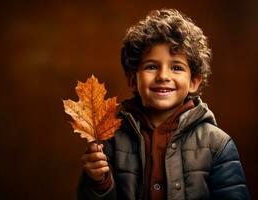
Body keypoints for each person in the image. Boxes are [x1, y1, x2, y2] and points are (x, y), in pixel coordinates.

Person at [77, 9, 250, 200]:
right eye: (151, 66)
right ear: (133, 80)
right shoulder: (110, 140)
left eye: (176, 67)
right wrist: (99, 183)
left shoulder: (217, 145)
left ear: (194, 81)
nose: (163, 76)